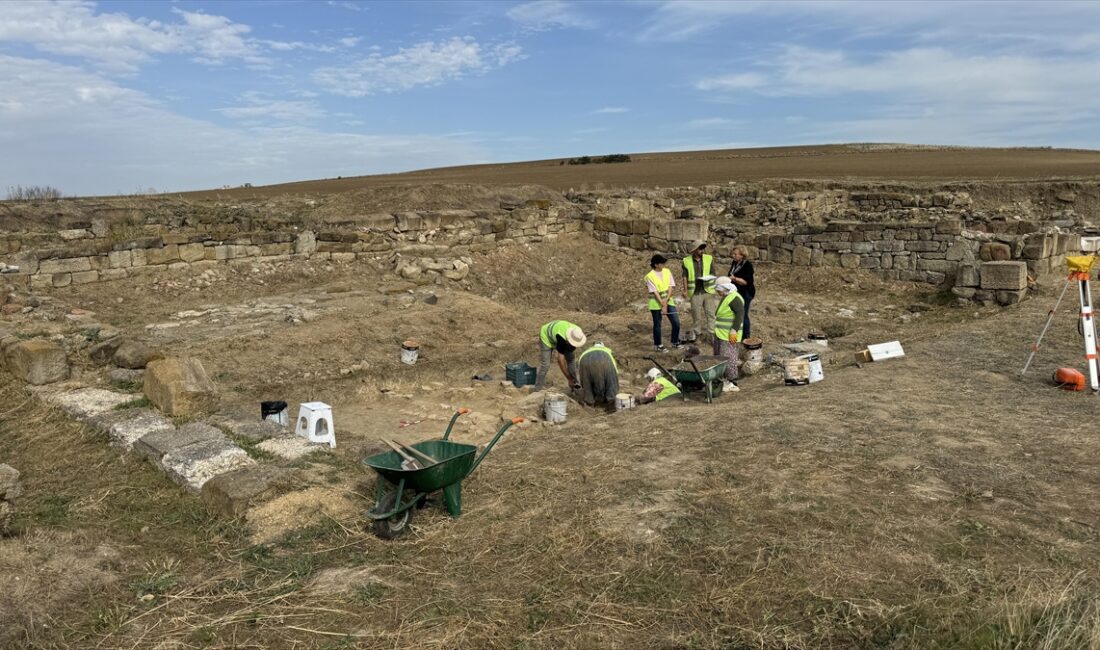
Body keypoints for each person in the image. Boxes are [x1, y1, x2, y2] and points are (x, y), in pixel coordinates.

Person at [681, 241, 718, 345]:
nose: (702, 250)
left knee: (710, 314)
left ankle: (712, 335)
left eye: (703, 248)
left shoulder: (708, 258)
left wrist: (710, 280)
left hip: (708, 291)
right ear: (694, 250)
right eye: (700, 248)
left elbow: (713, 273)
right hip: (695, 292)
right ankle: (698, 335)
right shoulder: (686, 261)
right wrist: (685, 290)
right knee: (696, 315)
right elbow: (684, 276)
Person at [713, 279, 744, 393]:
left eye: (719, 290)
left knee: (728, 357)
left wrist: (734, 330)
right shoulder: (726, 297)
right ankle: (723, 379)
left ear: (725, 288)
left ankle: (732, 381)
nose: (718, 292)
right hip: (721, 333)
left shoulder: (734, 298)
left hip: (729, 334)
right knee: (720, 356)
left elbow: (740, 314)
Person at [645, 254, 681, 352]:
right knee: (657, 324)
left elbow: (671, 286)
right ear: (656, 264)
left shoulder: (667, 271)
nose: (664, 264)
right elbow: (655, 291)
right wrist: (662, 304)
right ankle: (658, 345)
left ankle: (675, 342)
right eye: (662, 263)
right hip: (656, 303)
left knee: (676, 322)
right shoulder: (649, 276)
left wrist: (666, 301)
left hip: (668, 301)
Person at [536, 320, 586, 390]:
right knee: (545, 365)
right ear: (569, 340)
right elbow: (560, 360)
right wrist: (568, 378)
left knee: (571, 359)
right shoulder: (561, 338)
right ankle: (538, 388)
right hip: (546, 336)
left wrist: (573, 380)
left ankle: (575, 383)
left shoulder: (577, 332)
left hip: (560, 332)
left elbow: (570, 360)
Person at [576, 342, 619, 409]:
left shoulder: (585, 351)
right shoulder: (607, 351)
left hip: (584, 360)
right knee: (611, 380)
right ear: (603, 346)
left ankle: (589, 401)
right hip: (605, 359)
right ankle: (611, 401)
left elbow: (580, 373)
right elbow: (614, 372)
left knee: (586, 381)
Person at [727, 245, 756, 339]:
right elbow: (730, 274)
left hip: (746, 293)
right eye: (733, 254)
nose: (733, 255)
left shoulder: (748, 265)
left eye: (735, 254)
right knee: (737, 313)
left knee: (743, 314)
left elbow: (746, 282)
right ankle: (738, 332)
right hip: (737, 292)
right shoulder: (735, 263)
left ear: (742, 255)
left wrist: (734, 278)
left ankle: (746, 336)